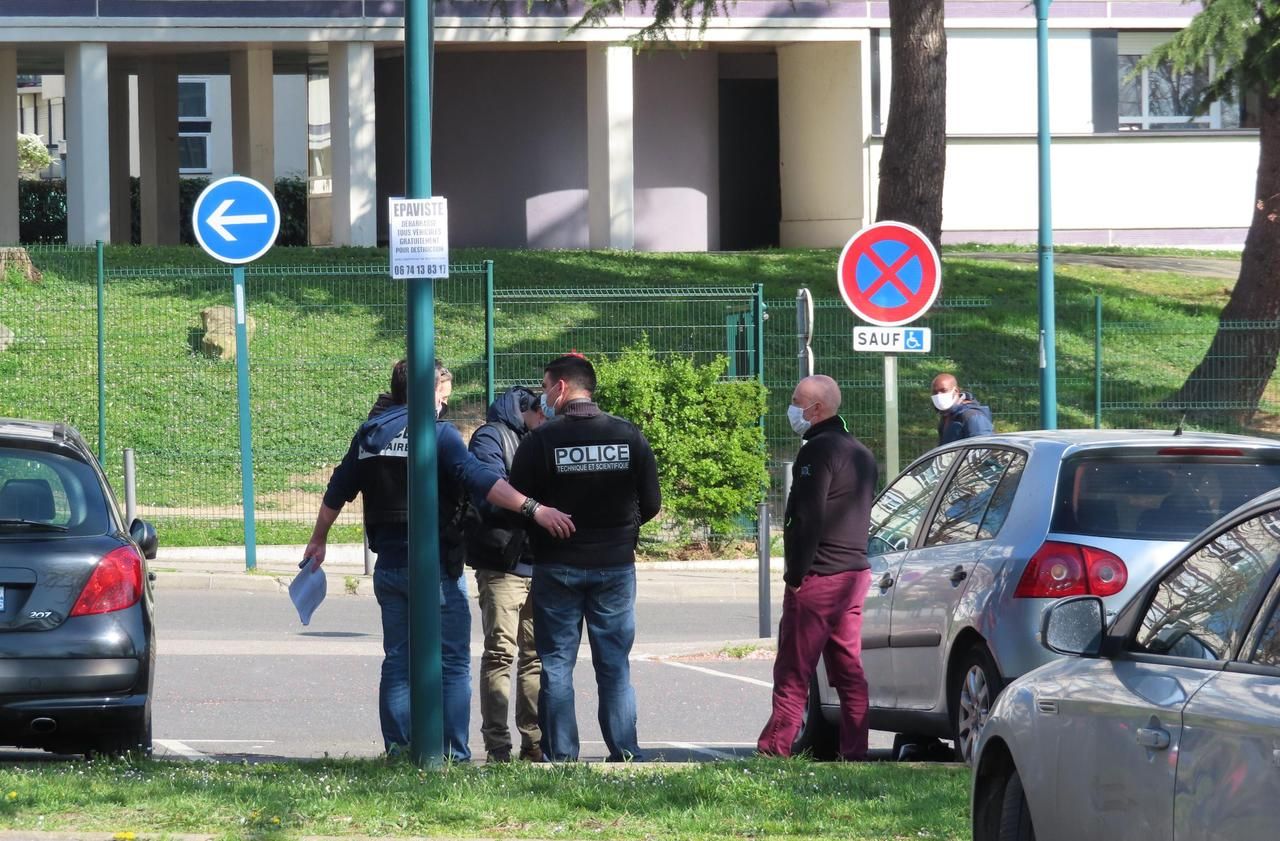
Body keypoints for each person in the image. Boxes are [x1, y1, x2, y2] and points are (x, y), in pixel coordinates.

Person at [304, 360, 573, 761]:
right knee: (451, 662)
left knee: (398, 660)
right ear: (425, 393)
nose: (445, 404)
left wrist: (318, 539)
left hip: (390, 566)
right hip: (437, 568)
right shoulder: (439, 435)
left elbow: (337, 489)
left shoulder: (370, 435)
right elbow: (482, 480)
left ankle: (399, 749)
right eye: (442, 395)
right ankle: (451, 754)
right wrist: (533, 508)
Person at [507, 353, 661, 762]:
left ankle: (562, 757)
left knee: (556, 664)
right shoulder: (628, 435)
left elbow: (518, 502)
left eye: (544, 387)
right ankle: (625, 752)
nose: (542, 396)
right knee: (614, 665)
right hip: (614, 565)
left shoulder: (540, 441)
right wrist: (620, 531)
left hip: (558, 565)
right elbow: (651, 503)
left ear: (560, 387)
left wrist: (542, 533)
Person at [758, 374, 877, 761]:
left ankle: (775, 750)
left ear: (817, 409)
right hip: (854, 574)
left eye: (797, 402)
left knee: (793, 669)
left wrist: (796, 576)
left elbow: (805, 519)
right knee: (848, 669)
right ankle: (855, 753)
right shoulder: (860, 451)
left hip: (820, 576)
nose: (792, 408)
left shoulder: (817, 451)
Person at [467, 385, 546, 763]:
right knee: (500, 653)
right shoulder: (490, 436)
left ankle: (533, 742)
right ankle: (498, 745)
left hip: (539, 561)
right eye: (542, 414)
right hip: (502, 563)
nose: (547, 421)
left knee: (535, 657)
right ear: (527, 410)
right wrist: (535, 503)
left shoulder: (539, 436)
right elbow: (489, 491)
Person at [931, 372, 993, 445]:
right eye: (935, 392)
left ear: (956, 391)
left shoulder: (972, 416)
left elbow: (983, 449)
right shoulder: (947, 416)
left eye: (943, 390)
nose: (939, 395)